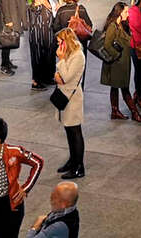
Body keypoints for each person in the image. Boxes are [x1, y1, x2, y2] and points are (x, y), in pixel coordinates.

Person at [100, 2, 141, 122]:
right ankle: (134, 113)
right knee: (124, 89)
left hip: (121, 63)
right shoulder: (112, 27)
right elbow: (107, 45)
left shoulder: (122, 25)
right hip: (116, 64)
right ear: (119, 13)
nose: (128, 14)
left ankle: (115, 111)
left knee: (115, 88)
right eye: (125, 12)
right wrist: (117, 55)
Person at [54, 28, 86, 179]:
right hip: (65, 95)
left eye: (60, 42)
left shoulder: (78, 56)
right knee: (69, 131)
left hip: (72, 99)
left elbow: (65, 76)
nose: (58, 46)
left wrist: (60, 61)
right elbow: (58, 76)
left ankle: (79, 167)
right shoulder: (70, 53)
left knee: (75, 132)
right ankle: (72, 161)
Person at [28, 0, 56, 90]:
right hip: (38, 36)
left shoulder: (49, 2)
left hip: (49, 34)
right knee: (38, 58)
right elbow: (36, 12)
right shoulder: (35, 5)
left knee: (49, 57)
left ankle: (48, 77)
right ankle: (36, 82)